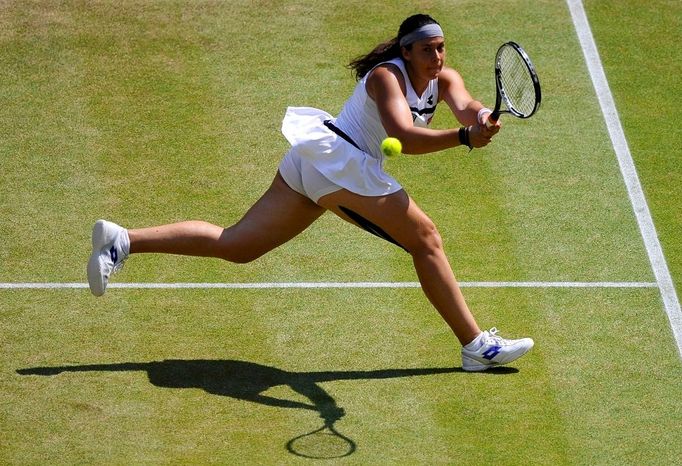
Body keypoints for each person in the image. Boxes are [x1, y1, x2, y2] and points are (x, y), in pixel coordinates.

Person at [87, 14, 533, 372]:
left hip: (314, 164)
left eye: (441, 47)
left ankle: (123, 241)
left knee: (238, 245)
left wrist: (480, 118)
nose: (437, 56)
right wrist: (462, 138)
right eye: (427, 49)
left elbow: (467, 105)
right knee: (426, 239)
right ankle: (476, 346)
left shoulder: (445, 77)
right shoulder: (385, 78)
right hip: (342, 163)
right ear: (406, 51)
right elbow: (403, 135)